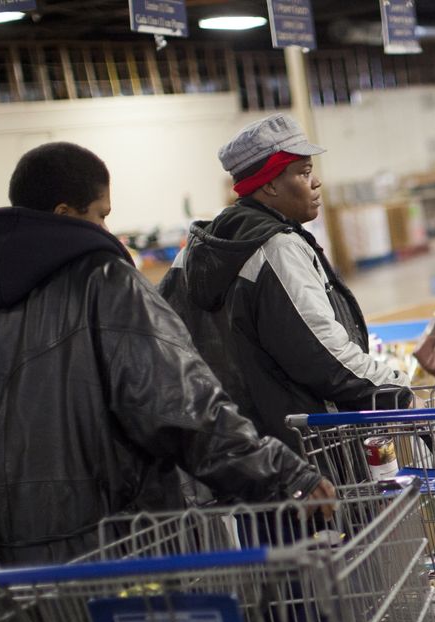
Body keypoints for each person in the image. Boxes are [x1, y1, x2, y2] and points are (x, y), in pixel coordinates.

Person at [0, 142, 332, 622]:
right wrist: (284, 474)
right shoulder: (107, 286)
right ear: (65, 214)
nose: (107, 231)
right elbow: (185, 410)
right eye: (100, 215)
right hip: (108, 571)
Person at [159, 114, 411, 452]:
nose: (316, 182)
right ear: (270, 185)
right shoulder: (278, 249)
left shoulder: (196, 248)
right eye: (304, 173)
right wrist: (395, 387)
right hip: (299, 450)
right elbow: (324, 356)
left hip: (236, 448)